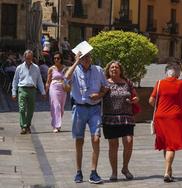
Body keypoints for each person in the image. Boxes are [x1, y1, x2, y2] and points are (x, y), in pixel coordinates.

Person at [65, 48, 109, 184]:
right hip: (79, 109)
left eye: (88, 57)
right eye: (83, 57)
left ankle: (93, 172)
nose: (86, 59)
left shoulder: (98, 69)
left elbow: (106, 86)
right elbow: (66, 78)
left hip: (95, 109)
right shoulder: (74, 70)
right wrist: (75, 62)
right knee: (79, 141)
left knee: (96, 139)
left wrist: (99, 95)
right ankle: (78, 172)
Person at [149, 62, 182, 182]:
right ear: (177, 73)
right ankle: (167, 173)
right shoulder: (180, 83)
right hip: (175, 118)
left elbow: (151, 100)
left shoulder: (159, 83)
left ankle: (169, 171)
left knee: (166, 145)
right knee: (171, 146)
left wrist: (159, 108)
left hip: (160, 116)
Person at [102, 60, 139, 181]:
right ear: (108, 70)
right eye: (111, 67)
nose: (114, 69)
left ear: (120, 70)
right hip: (110, 118)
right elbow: (98, 96)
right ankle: (114, 172)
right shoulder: (104, 83)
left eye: (116, 67)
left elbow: (135, 96)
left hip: (126, 117)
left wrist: (135, 99)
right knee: (113, 145)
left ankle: (125, 168)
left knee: (128, 141)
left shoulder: (127, 82)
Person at [11, 50, 46, 134]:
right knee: (22, 109)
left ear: (32, 58)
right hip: (22, 89)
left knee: (31, 110)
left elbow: (39, 81)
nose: (28, 60)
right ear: (24, 57)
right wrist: (14, 92)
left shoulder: (36, 68)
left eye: (30, 58)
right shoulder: (19, 68)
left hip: (32, 90)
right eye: (27, 58)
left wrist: (43, 92)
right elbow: (15, 80)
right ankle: (23, 126)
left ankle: (28, 125)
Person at [45, 51, 67, 133]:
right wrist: (45, 92)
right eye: (55, 58)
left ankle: (57, 123)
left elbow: (68, 78)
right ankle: (56, 125)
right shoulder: (51, 69)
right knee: (56, 106)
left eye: (58, 58)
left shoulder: (65, 68)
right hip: (53, 87)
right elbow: (48, 81)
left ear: (61, 59)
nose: (56, 60)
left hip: (63, 88)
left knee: (61, 108)